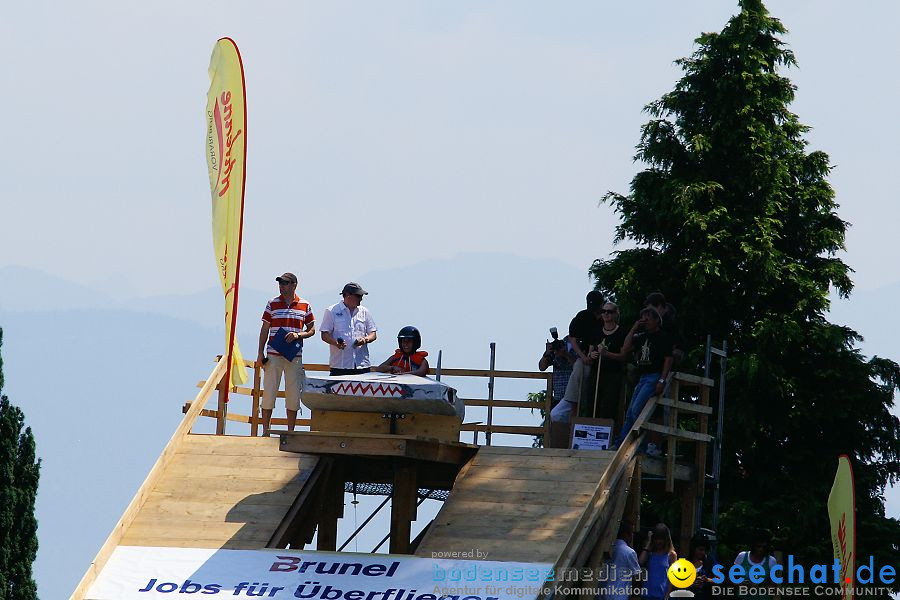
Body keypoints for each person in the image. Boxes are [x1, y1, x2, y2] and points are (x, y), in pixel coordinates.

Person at [605, 307, 673, 452]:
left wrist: (662, 380)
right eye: (643, 318)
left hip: (654, 376)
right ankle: (621, 445)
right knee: (630, 413)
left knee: (637, 410)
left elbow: (668, 359)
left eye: (648, 318)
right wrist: (635, 327)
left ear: (656, 320)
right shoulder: (641, 336)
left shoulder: (664, 336)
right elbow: (625, 348)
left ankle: (640, 446)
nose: (645, 321)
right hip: (642, 377)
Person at [256, 272, 316, 435]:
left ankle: (290, 431)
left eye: (285, 283)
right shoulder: (272, 303)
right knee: (269, 392)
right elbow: (265, 329)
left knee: (293, 393)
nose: (282, 286)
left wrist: (298, 335)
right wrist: (260, 353)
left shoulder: (305, 304)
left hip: (293, 356)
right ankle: (265, 431)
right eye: (280, 283)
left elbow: (312, 329)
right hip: (273, 354)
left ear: (294, 285)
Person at [549, 290, 605, 425]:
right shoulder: (582, 317)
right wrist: (583, 356)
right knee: (579, 373)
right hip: (585, 356)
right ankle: (574, 415)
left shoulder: (605, 317)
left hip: (602, 356)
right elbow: (573, 338)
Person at [320, 282, 378, 376]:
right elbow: (324, 334)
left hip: (362, 365)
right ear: (348, 295)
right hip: (340, 366)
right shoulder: (331, 311)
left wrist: (364, 340)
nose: (361, 299)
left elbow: (373, 333)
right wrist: (336, 343)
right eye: (358, 296)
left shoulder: (364, 312)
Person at [589, 301, 627, 420]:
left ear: (615, 314)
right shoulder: (596, 331)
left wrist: (607, 354)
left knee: (609, 406)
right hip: (596, 372)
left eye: (609, 312)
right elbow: (589, 352)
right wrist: (592, 354)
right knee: (592, 403)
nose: (606, 314)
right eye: (603, 311)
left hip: (613, 374)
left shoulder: (622, 332)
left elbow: (624, 356)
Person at [599, 520, 642, 600]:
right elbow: (637, 576)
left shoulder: (604, 549)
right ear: (626, 534)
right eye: (631, 533)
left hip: (602, 595)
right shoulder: (629, 552)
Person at [733, 530, 777, 600]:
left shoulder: (771, 561)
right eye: (758, 546)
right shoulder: (742, 556)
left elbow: (773, 587)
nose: (761, 549)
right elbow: (731, 579)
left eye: (764, 547)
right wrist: (742, 585)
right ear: (753, 546)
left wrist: (758, 588)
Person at [638, 523, 677, 600]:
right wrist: (649, 543)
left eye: (661, 539)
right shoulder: (650, 552)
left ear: (666, 539)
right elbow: (640, 561)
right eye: (656, 538)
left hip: (662, 596)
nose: (658, 541)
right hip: (647, 595)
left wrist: (667, 595)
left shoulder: (671, 554)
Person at [539, 332, 577, 410]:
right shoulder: (557, 347)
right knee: (555, 417)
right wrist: (547, 353)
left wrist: (566, 355)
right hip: (558, 396)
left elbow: (578, 367)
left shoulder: (579, 346)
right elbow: (542, 367)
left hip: (573, 395)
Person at [687, 533, 715, 600]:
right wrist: (691, 585)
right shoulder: (685, 563)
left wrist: (707, 580)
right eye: (700, 549)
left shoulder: (710, 561)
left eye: (705, 550)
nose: (703, 552)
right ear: (693, 548)